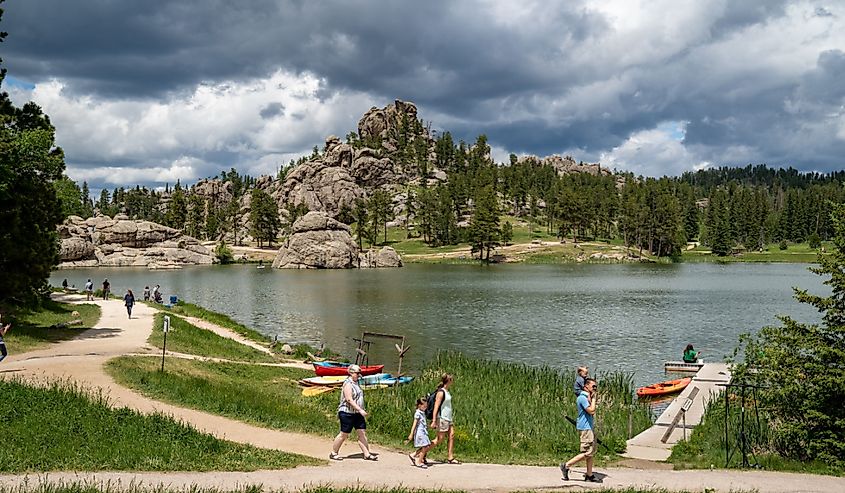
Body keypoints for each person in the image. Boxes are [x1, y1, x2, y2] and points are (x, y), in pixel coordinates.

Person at [330, 364, 378, 461]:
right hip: (347, 413)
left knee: (362, 432)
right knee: (344, 434)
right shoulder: (348, 384)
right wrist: (360, 409)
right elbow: (349, 399)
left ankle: (367, 454)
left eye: (359, 373)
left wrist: (360, 410)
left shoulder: (356, 383)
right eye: (357, 373)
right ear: (351, 373)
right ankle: (334, 453)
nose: (359, 375)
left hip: (357, 413)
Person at [561, 378, 600, 483]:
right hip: (585, 428)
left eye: (596, 386)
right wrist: (594, 399)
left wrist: (591, 398)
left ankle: (589, 475)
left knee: (591, 452)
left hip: (589, 427)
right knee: (588, 452)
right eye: (593, 386)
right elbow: (591, 411)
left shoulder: (587, 397)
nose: (595, 389)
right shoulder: (582, 398)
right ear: (586, 386)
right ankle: (566, 465)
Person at [430, 373, 460, 464]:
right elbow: (436, 406)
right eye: (452, 380)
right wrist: (434, 420)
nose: (453, 382)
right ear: (449, 381)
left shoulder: (447, 392)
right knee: (439, 439)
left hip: (448, 418)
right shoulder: (441, 392)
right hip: (442, 418)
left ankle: (450, 457)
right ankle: (419, 452)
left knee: (451, 435)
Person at [406, 397, 432, 468]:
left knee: (427, 446)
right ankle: (419, 461)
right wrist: (411, 434)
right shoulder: (418, 413)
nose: (425, 408)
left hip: (424, 432)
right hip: (420, 432)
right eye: (424, 406)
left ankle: (413, 454)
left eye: (426, 406)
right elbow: (414, 424)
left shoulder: (422, 413)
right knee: (425, 446)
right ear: (419, 405)